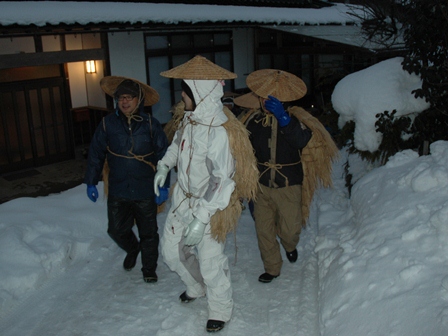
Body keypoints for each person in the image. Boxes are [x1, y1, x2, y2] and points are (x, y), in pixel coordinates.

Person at [154, 55, 257, 333]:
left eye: (185, 91)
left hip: (209, 208)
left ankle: (221, 309)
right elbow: (177, 143)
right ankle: (195, 286)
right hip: (182, 200)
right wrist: (164, 165)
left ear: (199, 93)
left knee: (211, 262)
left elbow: (222, 181)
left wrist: (201, 218)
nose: (181, 97)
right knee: (172, 253)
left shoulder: (218, 131)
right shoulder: (190, 119)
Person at [84, 76, 168, 283]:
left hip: (145, 189)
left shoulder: (151, 125)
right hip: (119, 189)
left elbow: (164, 158)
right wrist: (91, 181)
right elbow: (96, 153)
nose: (125, 102)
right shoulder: (107, 124)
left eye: (129, 97)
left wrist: (164, 186)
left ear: (138, 100)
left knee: (149, 233)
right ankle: (132, 248)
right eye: (121, 98)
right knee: (116, 229)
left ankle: (149, 268)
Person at [236, 69, 313, 283]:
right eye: (262, 96)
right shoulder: (252, 122)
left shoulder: (295, 119)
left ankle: (289, 245)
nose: (265, 100)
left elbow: (301, 140)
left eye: (270, 97)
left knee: (290, 230)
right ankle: (272, 268)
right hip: (261, 186)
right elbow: (244, 152)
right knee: (264, 230)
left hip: (288, 184)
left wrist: (283, 118)